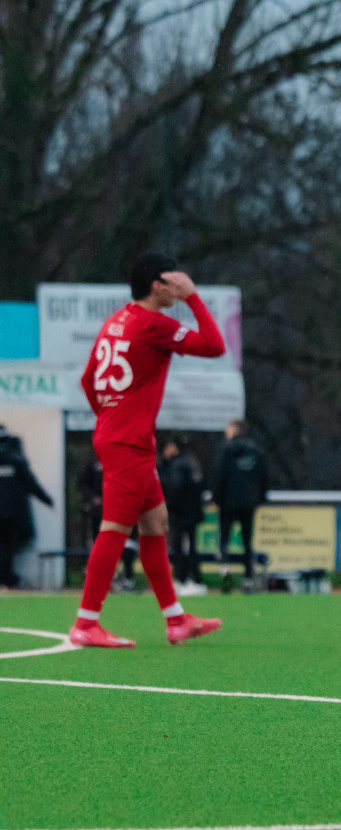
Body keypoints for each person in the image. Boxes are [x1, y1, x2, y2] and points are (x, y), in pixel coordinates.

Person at [68, 254, 225, 648]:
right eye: (175, 281)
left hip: (121, 436)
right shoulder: (153, 323)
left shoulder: (116, 320)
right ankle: (86, 623)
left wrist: (110, 417)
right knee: (114, 529)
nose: (180, 285)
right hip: (128, 441)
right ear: (158, 286)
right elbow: (214, 345)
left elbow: (89, 380)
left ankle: (176, 619)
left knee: (155, 522)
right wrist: (193, 298)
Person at [211, 419, 268, 593]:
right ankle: (249, 578)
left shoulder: (226, 451)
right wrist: (260, 499)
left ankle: (225, 570)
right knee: (247, 541)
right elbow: (264, 477)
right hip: (249, 503)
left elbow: (219, 475)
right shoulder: (256, 451)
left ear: (235, 431)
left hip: (228, 502)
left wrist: (216, 498)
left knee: (224, 540)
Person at [0, 425, 54, 589]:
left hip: (10, 517)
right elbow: (30, 483)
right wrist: (47, 500)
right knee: (7, 548)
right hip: (13, 517)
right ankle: (7, 579)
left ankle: (6, 578)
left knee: (6, 548)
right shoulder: (16, 459)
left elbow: (29, 483)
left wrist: (46, 499)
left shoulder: (15, 461)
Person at [159, 436, 207, 595]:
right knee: (191, 546)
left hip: (181, 513)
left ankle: (184, 579)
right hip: (193, 512)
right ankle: (194, 579)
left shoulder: (178, 465)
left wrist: (168, 505)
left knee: (180, 546)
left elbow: (175, 488)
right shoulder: (193, 462)